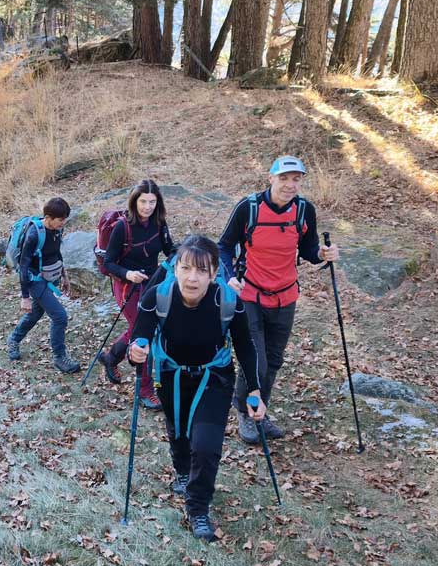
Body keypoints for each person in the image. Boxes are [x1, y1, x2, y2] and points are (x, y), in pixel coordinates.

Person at [128, 235, 264, 542]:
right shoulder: (156, 297)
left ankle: (198, 507)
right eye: (186, 268)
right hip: (171, 374)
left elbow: (246, 346)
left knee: (205, 444)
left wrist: (254, 390)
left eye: (201, 270)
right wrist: (136, 352)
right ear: (175, 268)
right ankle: (181, 470)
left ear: (214, 273)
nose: (192, 277)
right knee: (178, 432)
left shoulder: (228, 302)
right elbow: (141, 336)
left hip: (214, 376)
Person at [217, 155, 339, 444]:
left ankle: (257, 410)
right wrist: (228, 275)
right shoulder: (249, 208)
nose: (290, 184)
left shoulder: (303, 210)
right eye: (284, 178)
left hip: (286, 296)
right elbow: (223, 245)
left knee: (273, 360)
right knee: (255, 362)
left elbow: (308, 250)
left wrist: (323, 254)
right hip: (250, 295)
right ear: (270, 178)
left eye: (296, 179)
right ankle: (248, 415)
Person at [98, 179, 176, 410]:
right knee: (144, 333)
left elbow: (169, 249)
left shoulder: (159, 223)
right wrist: (128, 273)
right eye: (143, 201)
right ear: (135, 201)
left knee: (138, 329)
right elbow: (108, 263)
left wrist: (180, 256)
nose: (147, 207)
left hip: (152, 283)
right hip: (126, 284)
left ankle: (111, 357)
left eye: (152, 202)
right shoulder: (123, 226)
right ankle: (145, 391)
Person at [6, 197, 80, 374]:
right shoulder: (33, 235)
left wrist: (65, 276)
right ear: (48, 217)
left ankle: (13, 339)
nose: (63, 223)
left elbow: (56, 253)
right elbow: (23, 267)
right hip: (34, 281)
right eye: (60, 220)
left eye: (65, 220)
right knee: (60, 316)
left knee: (36, 313)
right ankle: (59, 357)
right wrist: (25, 297)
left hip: (49, 278)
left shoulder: (56, 230)